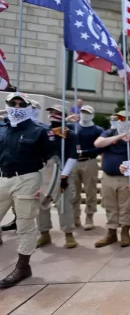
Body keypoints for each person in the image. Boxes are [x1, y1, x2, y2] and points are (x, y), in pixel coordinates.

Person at [0, 93, 54, 288]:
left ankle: (23, 267)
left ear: (28, 107)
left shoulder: (39, 130)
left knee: (25, 225)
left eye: (20, 103)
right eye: (12, 103)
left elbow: (52, 161)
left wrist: (46, 188)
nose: (16, 106)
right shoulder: (3, 128)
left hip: (28, 178)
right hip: (3, 177)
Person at [93, 110, 130, 248]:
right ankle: (111, 232)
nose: (121, 121)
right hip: (108, 177)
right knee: (110, 206)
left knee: (125, 207)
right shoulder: (110, 133)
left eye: (125, 119)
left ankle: (125, 232)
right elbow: (98, 143)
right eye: (119, 118)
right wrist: (119, 135)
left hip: (125, 179)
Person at [36, 105, 79, 249]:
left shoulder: (70, 134)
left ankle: (68, 234)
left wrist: (65, 175)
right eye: (51, 112)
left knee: (64, 205)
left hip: (62, 171)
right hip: (45, 172)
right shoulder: (43, 132)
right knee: (41, 204)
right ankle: (44, 232)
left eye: (57, 113)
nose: (53, 114)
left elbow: (73, 156)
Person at [70, 105, 103, 230]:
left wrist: (85, 152)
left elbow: (100, 147)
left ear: (92, 115)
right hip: (74, 162)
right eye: (83, 112)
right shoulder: (73, 127)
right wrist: (67, 119)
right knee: (73, 192)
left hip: (90, 161)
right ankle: (75, 217)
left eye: (88, 112)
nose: (85, 114)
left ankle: (89, 217)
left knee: (90, 191)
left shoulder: (97, 130)